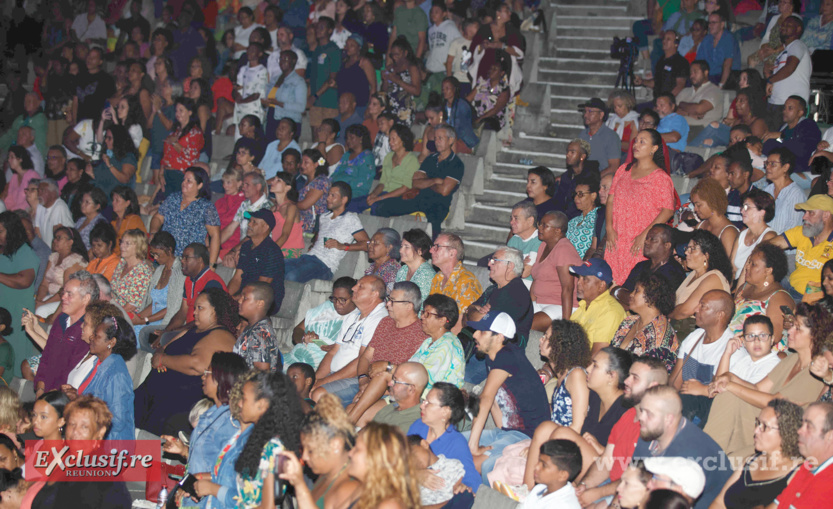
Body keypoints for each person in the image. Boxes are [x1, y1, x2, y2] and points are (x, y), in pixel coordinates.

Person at [705, 302, 829, 460]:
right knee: (728, 395)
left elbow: (775, 402)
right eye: (792, 326)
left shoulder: (816, 372)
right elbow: (758, 388)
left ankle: (707, 454)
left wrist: (730, 386)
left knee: (729, 394)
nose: (789, 331)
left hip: (781, 432)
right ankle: (707, 451)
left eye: (797, 328)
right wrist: (730, 377)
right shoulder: (792, 360)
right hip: (764, 420)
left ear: (814, 335)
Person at [134, 287, 239, 436]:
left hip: (178, 402)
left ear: (215, 311)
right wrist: (160, 355)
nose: (194, 312)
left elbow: (197, 365)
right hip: (152, 394)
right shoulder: (193, 330)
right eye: (194, 308)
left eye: (200, 308)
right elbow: (163, 348)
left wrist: (163, 360)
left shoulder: (221, 335)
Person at [466, 312, 549, 483]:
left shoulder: (508, 356)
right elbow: (495, 402)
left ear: (499, 337)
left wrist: (473, 445)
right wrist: (501, 432)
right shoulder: (492, 357)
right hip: (508, 432)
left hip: (526, 437)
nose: (475, 335)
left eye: (482, 331)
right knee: (448, 443)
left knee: (471, 463)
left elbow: (486, 398)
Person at [632, 386, 731, 509]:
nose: (641, 417)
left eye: (649, 414)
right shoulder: (651, 431)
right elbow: (631, 479)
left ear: (668, 419)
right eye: (641, 410)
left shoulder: (690, 457)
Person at [344, 282, 426, 422]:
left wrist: (372, 389)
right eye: (388, 299)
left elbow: (410, 378)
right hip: (365, 381)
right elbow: (366, 357)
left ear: (409, 306)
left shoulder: (421, 333)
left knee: (351, 410)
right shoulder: (386, 322)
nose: (387, 304)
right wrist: (363, 380)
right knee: (320, 394)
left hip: (391, 390)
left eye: (392, 301)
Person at [30, 396, 132, 507]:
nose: (75, 432)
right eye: (72, 424)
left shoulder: (99, 470)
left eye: (84, 427)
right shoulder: (65, 461)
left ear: (100, 432)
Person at [160, 352, 249, 478]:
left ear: (221, 379)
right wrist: (184, 451)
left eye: (207, 373)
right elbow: (206, 461)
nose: (203, 377)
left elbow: (231, 474)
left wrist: (199, 479)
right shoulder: (212, 413)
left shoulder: (232, 422)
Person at [605, 129, 676, 285]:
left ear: (654, 148)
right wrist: (609, 228)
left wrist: (645, 235)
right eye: (636, 141)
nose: (636, 145)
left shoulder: (660, 178)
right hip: (616, 237)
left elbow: (668, 211)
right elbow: (610, 200)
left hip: (639, 240)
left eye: (642, 142)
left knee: (631, 285)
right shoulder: (623, 170)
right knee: (610, 283)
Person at [312, 275, 387, 406]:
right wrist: (317, 379)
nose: (353, 288)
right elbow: (333, 351)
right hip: (336, 375)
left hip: (356, 379)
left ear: (374, 294)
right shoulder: (353, 315)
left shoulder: (380, 319)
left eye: (360, 286)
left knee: (318, 394)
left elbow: (362, 360)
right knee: (303, 385)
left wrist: (324, 382)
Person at [279, 393, 360, 508]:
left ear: (335, 445)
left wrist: (299, 485)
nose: (304, 457)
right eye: (303, 449)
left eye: (310, 451)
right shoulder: (326, 475)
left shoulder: (349, 488)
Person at [69, 315, 137, 441]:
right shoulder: (99, 363)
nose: (91, 338)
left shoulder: (117, 375)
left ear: (111, 342)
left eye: (96, 336)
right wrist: (76, 396)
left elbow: (117, 421)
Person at [285, 182, 370, 282]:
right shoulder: (323, 217)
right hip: (307, 258)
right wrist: (314, 244)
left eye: (333, 195)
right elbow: (318, 237)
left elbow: (367, 244)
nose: (328, 198)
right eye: (328, 194)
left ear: (344, 199)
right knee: (274, 266)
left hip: (325, 266)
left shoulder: (350, 218)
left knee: (291, 276)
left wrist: (343, 246)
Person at [768, 402, 833, 509]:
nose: (799, 431)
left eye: (809, 427)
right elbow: (776, 505)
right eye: (802, 424)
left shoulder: (829, 484)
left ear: (830, 436)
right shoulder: (809, 465)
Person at [769, 194, 833, 302]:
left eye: (810, 213)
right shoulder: (803, 232)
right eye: (805, 212)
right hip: (787, 284)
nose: (804, 217)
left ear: (826, 215)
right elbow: (767, 246)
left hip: (809, 297)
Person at [729, 244, 794, 350]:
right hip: (732, 343)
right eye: (749, 262)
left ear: (768, 271)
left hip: (756, 350)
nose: (747, 267)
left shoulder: (779, 297)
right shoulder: (744, 288)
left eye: (753, 264)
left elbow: (774, 336)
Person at [151, 167, 221, 265]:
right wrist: (153, 233)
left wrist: (212, 264)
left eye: (189, 181)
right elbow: (158, 217)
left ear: (200, 185)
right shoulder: (173, 198)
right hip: (165, 256)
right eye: (184, 179)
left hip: (188, 261)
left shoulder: (206, 207)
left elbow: (215, 235)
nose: (184, 183)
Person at [284, 277, 357, 369]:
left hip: (323, 365)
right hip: (298, 356)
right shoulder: (326, 307)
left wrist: (337, 348)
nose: (337, 304)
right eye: (334, 299)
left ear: (354, 297)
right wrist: (304, 338)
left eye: (342, 300)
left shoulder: (358, 317)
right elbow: (298, 329)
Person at [612, 273, 679, 372]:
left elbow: (651, 376)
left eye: (637, 291)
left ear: (652, 297)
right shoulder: (629, 321)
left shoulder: (660, 336)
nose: (631, 294)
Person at [670, 231, 733, 337]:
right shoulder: (693, 274)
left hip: (696, 331)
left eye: (692, 249)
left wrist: (666, 314)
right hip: (679, 327)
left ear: (706, 255)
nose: (686, 253)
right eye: (687, 248)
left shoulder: (714, 277)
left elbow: (686, 310)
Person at [466, 247, 533, 345]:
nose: (489, 264)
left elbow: (481, 323)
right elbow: (467, 314)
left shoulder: (516, 293)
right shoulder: (493, 288)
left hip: (504, 350)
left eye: (494, 260)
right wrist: (473, 310)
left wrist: (473, 311)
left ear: (510, 266)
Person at [614, 224, 686, 309]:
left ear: (667, 245)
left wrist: (616, 291)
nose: (646, 242)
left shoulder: (674, 272)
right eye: (647, 238)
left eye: (653, 239)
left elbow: (647, 304)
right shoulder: (641, 266)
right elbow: (626, 294)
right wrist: (618, 292)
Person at [569, 258, 627, 355]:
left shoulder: (610, 311)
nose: (578, 282)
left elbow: (597, 356)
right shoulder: (583, 306)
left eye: (585, 279)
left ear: (601, 285)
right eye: (579, 277)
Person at [763, 97, 822, 183]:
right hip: (777, 165)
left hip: (799, 169)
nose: (784, 111)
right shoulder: (783, 127)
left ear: (800, 112)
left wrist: (782, 137)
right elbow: (768, 146)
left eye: (790, 108)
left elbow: (802, 150)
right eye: (784, 108)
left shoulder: (809, 126)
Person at [33, 227, 88, 319]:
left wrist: (44, 303)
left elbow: (66, 290)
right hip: (50, 297)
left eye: (59, 238)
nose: (54, 241)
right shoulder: (54, 257)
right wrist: (38, 301)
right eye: (54, 238)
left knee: (41, 310)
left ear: (70, 242)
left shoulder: (74, 261)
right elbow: (44, 284)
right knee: (30, 304)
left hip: (66, 299)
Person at [365, 124, 419, 212]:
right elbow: (382, 182)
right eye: (389, 139)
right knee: (354, 203)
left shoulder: (412, 160)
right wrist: (374, 194)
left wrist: (379, 198)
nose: (390, 142)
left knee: (376, 207)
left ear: (403, 140)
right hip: (384, 194)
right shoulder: (388, 157)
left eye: (394, 139)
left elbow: (405, 188)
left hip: (398, 197)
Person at [158, 98, 205, 197]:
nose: (177, 113)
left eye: (181, 110)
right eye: (176, 111)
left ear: (190, 112)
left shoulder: (195, 133)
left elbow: (190, 156)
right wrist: (161, 172)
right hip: (167, 173)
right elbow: (165, 154)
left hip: (181, 175)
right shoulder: (176, 132)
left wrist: (175, 143)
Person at [731, 187, 777, 283]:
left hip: (751, 285)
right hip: (736, 283)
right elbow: (732, 268)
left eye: (747, 207)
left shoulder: (769, 236)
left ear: (762, 212)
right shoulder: (742, 235)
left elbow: (759, 273)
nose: (742, 211)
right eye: (742, 207)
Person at [520, 440, 583, 509]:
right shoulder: (540, 488)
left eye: (544, 465)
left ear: (562, 475)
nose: (536, 467)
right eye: (539, 461)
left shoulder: (564, 506)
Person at [234, 281, 281, 372]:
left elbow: (262, 373)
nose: (239, 301)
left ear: (260, 304)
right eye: (241, 297)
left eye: (245, 298)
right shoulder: (252, 327)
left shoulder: (260, 333)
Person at [367, 362, 428, 432]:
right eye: (392, 379)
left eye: (395, 381)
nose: (389, 384)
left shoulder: (412, 425)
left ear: (411, 389)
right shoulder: (392, 406)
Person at [634, 31, 690, 100]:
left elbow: (680, 86)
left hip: (671, 102)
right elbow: (656, 83)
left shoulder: (681, 62)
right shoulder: (661, 61)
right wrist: (642, 81)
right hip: (658, 101)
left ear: (676, 44)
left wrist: (666, 100)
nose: (664, 41)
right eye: (664, 39)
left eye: (668, 39)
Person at [691, 177, 739, 257]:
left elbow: (729, 263)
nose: (695, 209)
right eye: (694, 205)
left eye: (699, 205)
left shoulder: (728, 232)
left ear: (712, 202)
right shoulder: (700, 226)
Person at [332, 124, 375, 210]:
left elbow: (362, 182)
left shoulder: (367, 156)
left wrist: (340, 188)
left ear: (361, 138)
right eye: (347, 138)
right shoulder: (346, 155)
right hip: (337, 190)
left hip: (354, 193)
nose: (348, 141)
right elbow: (336, 173)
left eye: (352, 138)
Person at [110, 228, 153, 314]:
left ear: (138, 247)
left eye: (127, 243)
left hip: (126, 315)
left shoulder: (142, 272)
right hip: (112, 309)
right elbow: (111, 291)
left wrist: (111, 315)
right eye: (122, 242)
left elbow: (131, 306)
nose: (121, 246)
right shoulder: (122, 263)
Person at [578, 98, 621, 178]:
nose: (585, 115)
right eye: (585, 111)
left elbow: (614, 167)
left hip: (602, 179)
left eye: (590, 111)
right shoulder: (583, 135)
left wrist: (594, 178)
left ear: (601, 115)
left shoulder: (611, 137)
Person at [696, 11, 740, 87]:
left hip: (726, 76)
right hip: (709, 76)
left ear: (722, 24)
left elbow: (727, 64)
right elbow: (699, 62)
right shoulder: (707, 39)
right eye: (709, 23)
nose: (710, 26)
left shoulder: (728, 38)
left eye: (713, 23)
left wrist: (721, 85)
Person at [567, 171, 605, 259]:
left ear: (593, 196)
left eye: (581, 194)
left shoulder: (599, 218)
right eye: (575, 194)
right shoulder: (573, 221)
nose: (576, 198)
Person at [676, 60, 724, 127]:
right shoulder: (685, 91)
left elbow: (699, 109)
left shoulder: (714, 90)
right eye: (690, 73)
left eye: (695, 72)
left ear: (705, 73)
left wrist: (681, 104)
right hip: (679, 126)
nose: (692, 76)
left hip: (701, 128)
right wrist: (688, 114)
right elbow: (672, 109)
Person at [268, 172, 305, 258]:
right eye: (274, 180)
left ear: (287, 187)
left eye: (278, 180)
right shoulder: (273, 209)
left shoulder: (291, 208)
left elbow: (285, 235)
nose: (272, 182)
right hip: (277, 249)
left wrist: (269, 253)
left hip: (289, 253)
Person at [296, 148, 331, 235]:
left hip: (313, 228)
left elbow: (304, 205)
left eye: (306, 162)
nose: (302, 165)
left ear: (316, 164)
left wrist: (288, 203)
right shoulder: (306, 181)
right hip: (302, 224)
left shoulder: (321, 182)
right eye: (301, 162)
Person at [33, 179, 73, 247]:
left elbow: (57, 236)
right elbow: (37, 232)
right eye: (38, 191)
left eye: (42, 190)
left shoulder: (59, 207)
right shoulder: (40, 206)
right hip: (46, 250)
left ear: (53, 193)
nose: (39, 194)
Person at [109, 186, 146, 256]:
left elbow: (139, 246)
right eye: (113, 200)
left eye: (117, 200)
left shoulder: (134, 220)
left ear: (127, 203)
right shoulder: (113, 222)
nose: (113, 203)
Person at [4, 147, 39, 212]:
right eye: (8, 158)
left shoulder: (32, 175)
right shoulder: (14, 177)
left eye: (12, 157)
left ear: (20, 159)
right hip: (14, 212)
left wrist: (12, 211)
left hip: (27, 212)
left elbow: (29, 202)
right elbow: (9, 198)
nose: (9, 160)